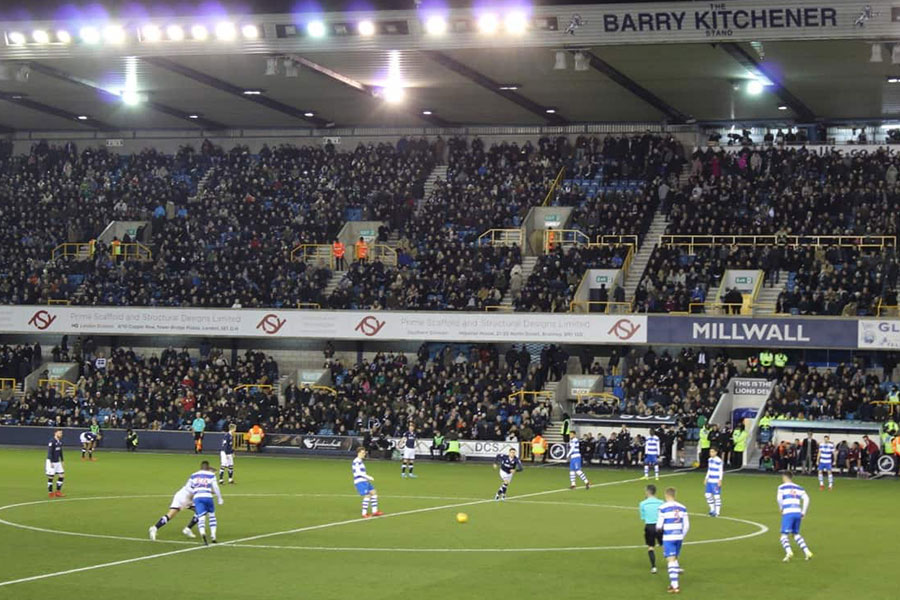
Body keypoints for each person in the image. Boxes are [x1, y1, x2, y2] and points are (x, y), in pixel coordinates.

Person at [656, 487, 689, 594]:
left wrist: (660, 537)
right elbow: (687, 525)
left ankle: (675, 586)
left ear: (666, 495)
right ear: (674, 495)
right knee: (674, 559)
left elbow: (659, 525)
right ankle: (673, 584)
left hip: (668, 537)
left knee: (670, 560)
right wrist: (681, 535)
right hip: (679, 537)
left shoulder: (663, 507)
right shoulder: (683, 507)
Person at [776, 471, 813, 562]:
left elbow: (779, 498)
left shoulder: (782, 487)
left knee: (784, 536)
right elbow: (807, 499)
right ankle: (807, 552)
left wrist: (781, 508)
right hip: (797, 512)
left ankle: (789, 552)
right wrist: (803, 512)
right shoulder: (799, 487)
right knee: (795, 534)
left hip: (788, 512)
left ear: (785, 477)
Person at [187, 460, 224, 545]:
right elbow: (216, 487)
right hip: (208, 496)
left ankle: (203, 532)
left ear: (200, 467)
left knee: (201, 517)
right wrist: (219, 498)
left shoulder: (193, 475)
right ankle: (213, 535)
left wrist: (195, 492)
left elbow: (188, 487)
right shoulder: (211, 475)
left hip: (197, 497)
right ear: (208, 468)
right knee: (212, 515)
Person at [639, 484, 664, 574]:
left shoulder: (642, 503)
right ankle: (674, 564)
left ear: (647, 492)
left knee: (651, 547)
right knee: (665, 546)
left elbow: (643, 517)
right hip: (660, 526)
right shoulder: (661, 502)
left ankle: (654, 567)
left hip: (649, 526)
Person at [352, 447, 382, 518]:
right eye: (362, 453)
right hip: (360, 481)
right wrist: (368, 477)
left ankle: (375, 511)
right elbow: (358, 472)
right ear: (358, 453)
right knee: (367, 495)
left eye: (364, 453)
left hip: (364, 480)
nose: (364, 454)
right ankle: (364, 513)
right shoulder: (356, 461)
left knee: (373, 492)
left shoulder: (360, 461)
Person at [704, 447, 724, 517]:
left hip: (715, 481)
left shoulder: (719, 460)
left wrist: (720, 480)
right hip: (710, 481)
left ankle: (717, 512)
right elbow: (709, 470)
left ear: (716, 452)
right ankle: (712, 509)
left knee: (716, 496)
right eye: (710, 452)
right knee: (707, 495)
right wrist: (706, 478)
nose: (711, 453)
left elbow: (721, 471)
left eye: (712, 452)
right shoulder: (709, 460)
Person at [46, 429, 65, 498]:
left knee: (61, 475)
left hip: (57, 462)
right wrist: (51, 462)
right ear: (55, 433)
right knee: (51, 477)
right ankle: (50, 492)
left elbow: (60, 452)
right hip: (51, 461)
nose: (61, 434)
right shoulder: (52, 441)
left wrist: (62, 460)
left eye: (61, 433)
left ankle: (58, 492)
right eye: (59, 433)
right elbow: (50, 452)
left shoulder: (59, 442)